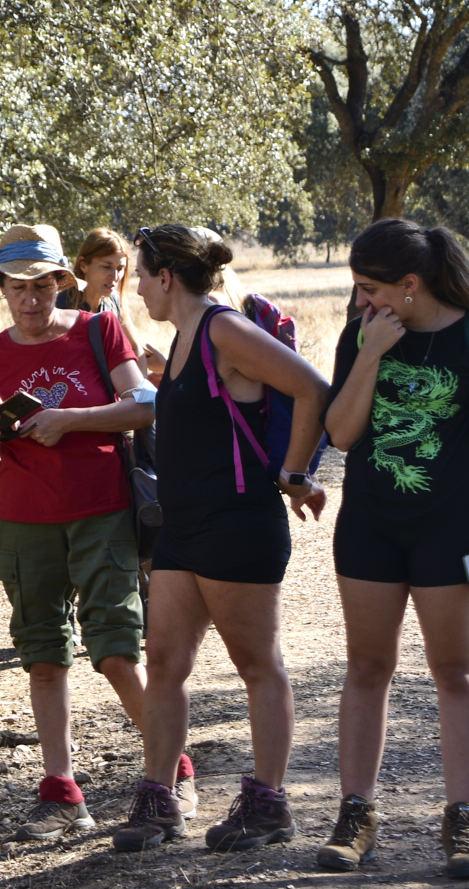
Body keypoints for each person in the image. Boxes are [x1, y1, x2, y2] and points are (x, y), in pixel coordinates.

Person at [314, 218, 469, 880]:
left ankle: (463, 817)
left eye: (371, 288)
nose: (361, 301)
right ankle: (356, 814)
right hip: (369, 526)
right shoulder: (361, 335)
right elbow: (341, 434)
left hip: (452, 530)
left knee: (456, 670)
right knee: (366, 667)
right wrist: (371, 352)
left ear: (411, 283)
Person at [112, 225, 330, 853]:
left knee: (257, 665)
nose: (136, 290)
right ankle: (159, 800)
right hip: (182, 528)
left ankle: (269, 805)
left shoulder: (223, 329)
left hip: (238, 525)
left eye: (140, 276)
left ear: (166, 277)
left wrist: (295, 473)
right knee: (164, 663)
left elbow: (312, 388)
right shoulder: (183, 337)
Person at [0, 224, 166, 842]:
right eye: (18, 287)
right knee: (44, 656)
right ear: (2, 289)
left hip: (102, 511)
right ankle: (62, 791)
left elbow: (144, 406)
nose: (30, 299)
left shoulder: (98, 331)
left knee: (117, 651)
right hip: (24, 520)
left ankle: (170, 772)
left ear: (60, 283)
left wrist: (68, 420)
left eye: (42, 286)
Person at [64, 227, 129, 316]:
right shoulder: (60, 305)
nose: (115, 277)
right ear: (83, 265)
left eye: (120, 268)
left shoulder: (114, 302)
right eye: (106, 267)